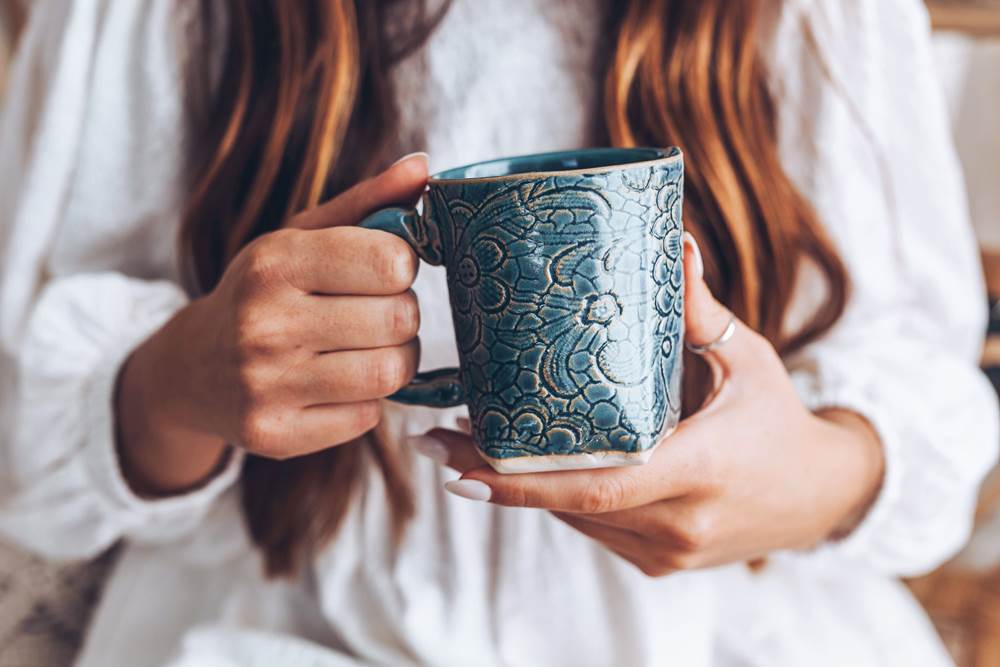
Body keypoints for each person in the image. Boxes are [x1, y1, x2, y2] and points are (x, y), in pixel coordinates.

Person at [0, 1, 997, 665]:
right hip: (281, 619)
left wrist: (805, 480)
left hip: (733, 629)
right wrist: (183, 377)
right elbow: (28, 443)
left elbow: (919, 385)